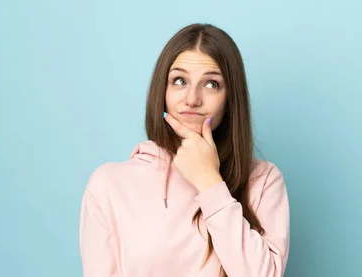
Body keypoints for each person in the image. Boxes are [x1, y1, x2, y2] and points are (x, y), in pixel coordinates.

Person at [79, 23, 290, 277]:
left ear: (231, 97)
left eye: (211, 84)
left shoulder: (263, 180)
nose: (192, 99)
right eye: (179, 81)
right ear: (163, 90)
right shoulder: (109, 184)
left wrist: (209, 182)